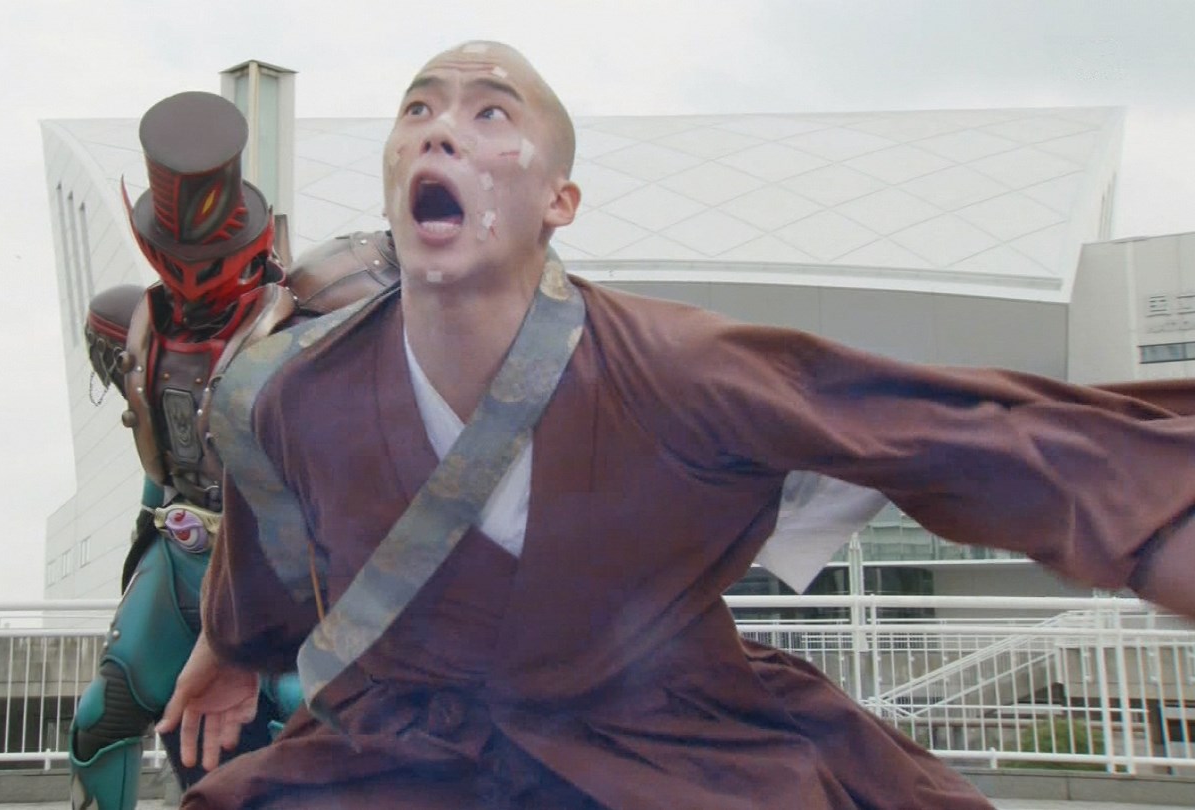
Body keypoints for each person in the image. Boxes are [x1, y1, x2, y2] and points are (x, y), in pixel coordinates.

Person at [158, 42, 1195, 809]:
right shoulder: (292, 395)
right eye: (419, 109)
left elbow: (962, 436)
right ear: (393, 177)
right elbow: (272, 547)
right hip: (405, 755)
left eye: (489, 113)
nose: (440, 128)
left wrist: (1160, 519)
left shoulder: (680, 369)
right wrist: (231, 647)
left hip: (667, 740)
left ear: (559, 200)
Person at [69, 90, 397, 809]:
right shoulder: (135, 328)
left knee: (298, 722)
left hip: (277, 568)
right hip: (180, 553)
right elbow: (162, 470)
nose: (195, 277)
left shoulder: (309, 322)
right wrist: (141, 548)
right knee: (105, 717)